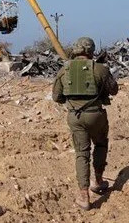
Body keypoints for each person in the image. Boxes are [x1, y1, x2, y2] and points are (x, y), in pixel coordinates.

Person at [52, 37, 119, 211]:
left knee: (81, 154)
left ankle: (84, 196)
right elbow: (114, 90)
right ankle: (97, 181)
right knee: (101, 145)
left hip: (75, 117)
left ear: (75, 50)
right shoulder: (100, 69)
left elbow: (56, 97)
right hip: (96, 116)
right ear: (91, 51)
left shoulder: (64, 69)